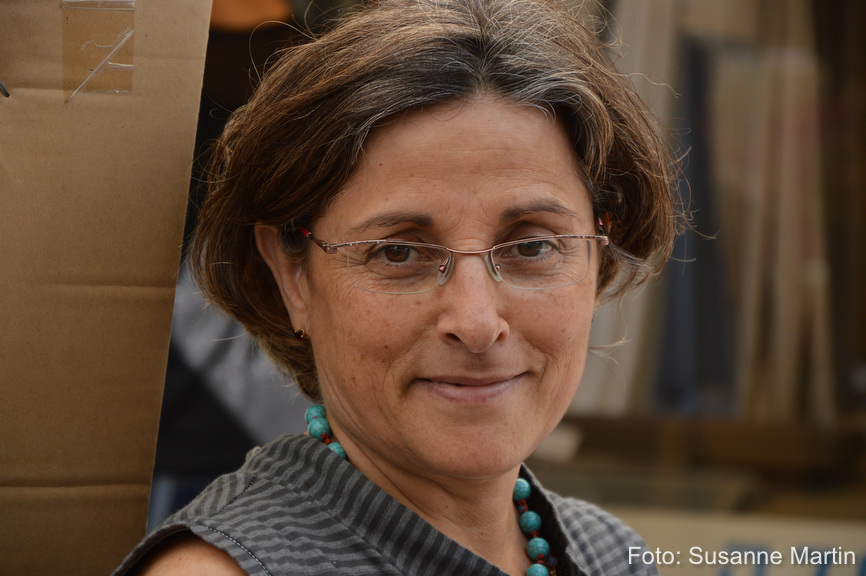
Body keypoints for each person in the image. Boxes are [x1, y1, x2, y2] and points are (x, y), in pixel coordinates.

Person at [114, 0, 681, 574]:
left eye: (531, 247)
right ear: (292, 276)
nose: (477, 322)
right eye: (399, 252)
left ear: (600, 253)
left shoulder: (612, 555)